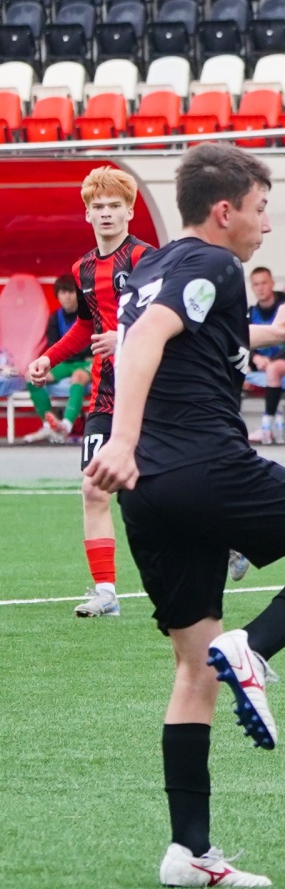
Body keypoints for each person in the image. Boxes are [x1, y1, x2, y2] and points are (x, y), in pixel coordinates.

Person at [87, 143, 285, 888]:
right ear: (225, 211)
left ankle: (189, 852)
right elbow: (146, 340)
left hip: (149, 491)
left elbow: (174, 333)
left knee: (194, 669)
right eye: (260, 209)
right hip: (207, 465)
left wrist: (272, 334)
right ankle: (257, 646)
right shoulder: (216, 263)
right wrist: (119, 437)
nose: (266, 225)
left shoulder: (151, 267)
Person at [25, 167, 153, 618]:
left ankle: (228, 537)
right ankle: (106, 593)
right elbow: (86, 325)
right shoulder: (81, 269)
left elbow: (170, 318)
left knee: (165, 488)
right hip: (104, 394)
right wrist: (49, 358)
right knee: (94, 489)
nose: (106, 214)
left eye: (115, 206)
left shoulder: (146, 259)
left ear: (129, 211)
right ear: (87, 214)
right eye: (98, 207)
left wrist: (125, 337)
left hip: (150, 389)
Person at [22, 278, 93, 445]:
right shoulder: (54, 318)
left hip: (86, 363)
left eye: (71, 292)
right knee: (30, 376)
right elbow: (54, 345)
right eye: (63, 292)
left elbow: (91, 344)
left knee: (78, 377)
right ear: (58, 295)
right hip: (65, 363)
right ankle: (49, 425)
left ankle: (66, 426)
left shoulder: (89, 315)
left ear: (78, 294)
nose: (67, 296)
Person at [244, 266, 285, 445]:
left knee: (273, 369)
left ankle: (266, 426)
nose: (260, 288)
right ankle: (233, 427)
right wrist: (255, 358)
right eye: (256, 284)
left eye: (264, 283)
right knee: (234, 369)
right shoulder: (251, 312)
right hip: (261, 363)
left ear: (272, 283)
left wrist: (270, 360)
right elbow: (242, 342)